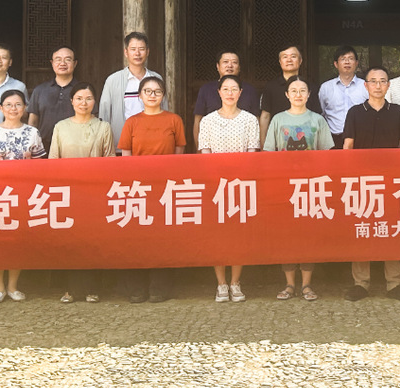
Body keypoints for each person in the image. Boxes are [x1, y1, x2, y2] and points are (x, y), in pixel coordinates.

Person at [341, 66, 400, 302]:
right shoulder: (355, 112)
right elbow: (348, 146)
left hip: (392, 181)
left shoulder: (397, 111)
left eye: (383, 81)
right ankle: (360, 283)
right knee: (362, 231)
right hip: (362, 181)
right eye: (373, 81)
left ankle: (395, 283)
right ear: (366, 85)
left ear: (388, 85)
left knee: (391, 231)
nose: (378, 85)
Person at [117, 75, 186, 303]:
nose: (152, 95)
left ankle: (160, 287)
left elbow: (179, 153)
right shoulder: (132, 122)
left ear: (163, 95)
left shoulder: (174, 120)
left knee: (162, 238)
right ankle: (136, 288)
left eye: (157, 91)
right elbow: (126, 156)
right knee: (136, 239)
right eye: (147, 91)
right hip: (138, 189)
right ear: (140, 96)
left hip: (165, 188)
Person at [263, 76, 333, 301]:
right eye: (293, 90)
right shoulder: (278, 119)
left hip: (311, 187)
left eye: (303, 90)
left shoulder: (317, 120)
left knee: (308, 236)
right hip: (284, 186)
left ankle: (307, 285)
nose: (298, 94)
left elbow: (326, 154)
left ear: (309, 94)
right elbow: (269, 153)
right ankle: (289, 284)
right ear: (287, 94)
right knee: (287, 236)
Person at [0, 88, 45, 303]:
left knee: (18, 240)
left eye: (18, 104)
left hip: (23, 194)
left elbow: (40, 166)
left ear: (25, 108)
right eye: (8, 104)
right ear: (1, 108)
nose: (13, 108)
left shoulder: (32, 132)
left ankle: (13, 286)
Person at [49, 82, 114, 305]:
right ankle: (70, 288)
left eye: (88, 98)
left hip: (95, 192)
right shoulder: (61, 127)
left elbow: (110, 160)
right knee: (70, 242)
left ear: (94, 101)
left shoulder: (103, 127)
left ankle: (92, 288)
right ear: (71, 101)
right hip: (68, 192)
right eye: (79, 98)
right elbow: (53, 160)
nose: (83, 103)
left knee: (93, 240)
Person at [198, 75, 261, 303]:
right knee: (217, 235)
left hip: (241, 184)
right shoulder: (207, 121)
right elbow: (205, 153)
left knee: (238, 235)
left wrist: (239, 176)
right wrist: (217, 177)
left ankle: (235, 282)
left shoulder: (250, 120)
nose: (230, 93)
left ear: (241, 93)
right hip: (216, 184)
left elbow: (252, 152)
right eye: (226, 89)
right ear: (219, 92)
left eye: (234, 89)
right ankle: (221, 283)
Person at [100, 31, 165, 154]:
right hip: (122, 145)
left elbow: (164, 110)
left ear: (148, 52)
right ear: (126, 52)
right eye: (133, 49)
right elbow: (104, 114)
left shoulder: (156, 78)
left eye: (141, 49)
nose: (137, 53)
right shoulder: (113, 80)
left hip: (153, 145)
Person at [193, 50, 261, 144]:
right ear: (218, 66)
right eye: (225, 62)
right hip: (213, 146)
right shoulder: (206, 89)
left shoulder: (250, 90)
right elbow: (198, 121)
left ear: (239, 67)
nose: (230, 65)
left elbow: (256, 120)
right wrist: (199, 148)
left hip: (243, 146)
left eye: (234, 62)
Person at [28, 45, 83, 154]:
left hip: (75, 146)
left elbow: (91, 119)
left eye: (68, 59)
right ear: (52, 63)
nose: (62, 63)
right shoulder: (40, 90)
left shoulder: (83, 90)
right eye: (58, 59)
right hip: (43, 147)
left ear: (75, 63)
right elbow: (33, 122)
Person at [259, 43, 321, 138]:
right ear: (280, 62)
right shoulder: (271, 87)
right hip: (278, 139)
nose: (289, 60)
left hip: (307, 139)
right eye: (285, 57)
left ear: (300, 61)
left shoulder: (310, 87)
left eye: (293, 56)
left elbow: (317, 116)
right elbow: (265, 116)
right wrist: (263, 142)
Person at [318, 45, 368, 149]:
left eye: (350, 58)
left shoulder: (365, 86)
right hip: (333, 139)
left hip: (361, 138)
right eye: (343, 59)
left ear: (356, 63)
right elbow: (321, 114)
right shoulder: (326, 87)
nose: (347, 62)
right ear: (336, 64)